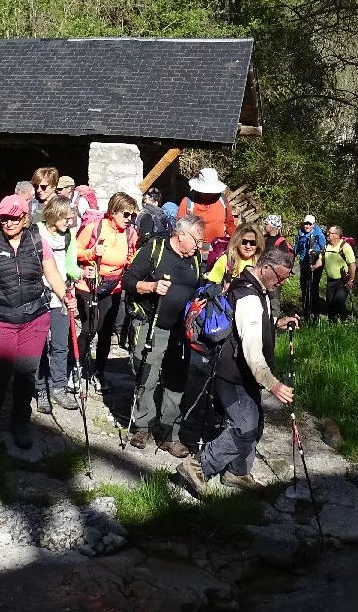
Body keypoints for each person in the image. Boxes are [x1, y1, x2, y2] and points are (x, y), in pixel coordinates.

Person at [0, 195, 76, 452]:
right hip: (2, 319)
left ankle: (20, 425)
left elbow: (53, 274)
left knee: (25, 374)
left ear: (24, 218)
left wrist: (65, 295)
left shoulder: (37, 242)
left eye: (13, 217)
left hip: (35, 317)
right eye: (4, 218)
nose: (8, 222)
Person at [178, 248, 297, 497]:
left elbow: (247, 325)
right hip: (233, 374)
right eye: (281, 277)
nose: (282, 282)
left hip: (245, 375)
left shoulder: (257, 289)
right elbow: (252, 352)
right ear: (265, 268)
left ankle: (238, 472)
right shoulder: (248, 296)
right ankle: (198, 466)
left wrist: (277, 323)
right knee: (244, 428)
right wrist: (273, 384)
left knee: (256, 423)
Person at [124, 215, 206, 453]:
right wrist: (151, 287)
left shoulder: (196, 259)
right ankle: (143, 426)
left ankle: (170, 433)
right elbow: (129, 280)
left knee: (176, 379)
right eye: (196, 241)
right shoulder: (155, 249)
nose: (198, 246)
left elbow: (198, 285)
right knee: (147, 375)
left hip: (181, 330)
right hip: (152, 323)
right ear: (182, 235)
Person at [76, 192, 139, 388]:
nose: (129, 219)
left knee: (105, 332)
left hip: (113, 287)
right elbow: (74, 251)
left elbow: (131, 258)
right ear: (113, 212)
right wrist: (91, 253)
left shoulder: (130, 234)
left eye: (133, 216)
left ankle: (99, 371)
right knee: (89, 329)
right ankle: (76, 367)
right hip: (89, 285)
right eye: (126, 214)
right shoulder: (94, 228)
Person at [35, 196, 82, 413]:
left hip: (62, 295)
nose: (70, 222)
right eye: (67, 217)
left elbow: (69, 264)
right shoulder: (36, 232)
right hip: (37, 296)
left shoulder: (68, 236)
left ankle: (59, 386)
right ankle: (41, 388)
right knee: (39, 346)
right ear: (55, 215)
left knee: (61, 344)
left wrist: (81, 272)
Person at [178, 168, 237, 257]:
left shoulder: (222, 200)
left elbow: (229, 224)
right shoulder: (188, 203)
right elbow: (179, 230)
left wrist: (238, 240)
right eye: (206, 191)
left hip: (219, 252)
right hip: (195, 254)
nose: (209, 194)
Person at [318, 225, 356, 320]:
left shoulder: (345, 247)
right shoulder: (326, 246)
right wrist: (313, 267)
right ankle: (333, 326)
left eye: (330, 233)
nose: (327, 234)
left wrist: (351, 280)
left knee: (338, 302)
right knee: (330, 304)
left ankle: (344, 322)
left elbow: (352, 265)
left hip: (342, 281)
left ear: (336, 235)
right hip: (330, 281)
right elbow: (321, 259)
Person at [292, 215, 325, 318]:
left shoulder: (318, 234)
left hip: (315, 263)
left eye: (309, 224)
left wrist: (316, 253)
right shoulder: (300, 233)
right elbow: (296, 248)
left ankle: (315, 312)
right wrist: (292, 257)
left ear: (313, 225)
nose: (307, 226)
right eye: (306, 223)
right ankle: (306, 310)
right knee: (304, 287)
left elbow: (324, 249)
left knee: (313, 287)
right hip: (304, 264)